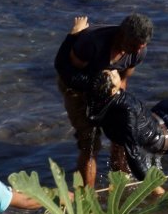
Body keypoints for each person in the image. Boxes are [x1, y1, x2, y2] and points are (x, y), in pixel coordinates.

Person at [54, 13, 153, 187]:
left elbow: (123, 80)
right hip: (78, 90)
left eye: (141, 46)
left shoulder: (138, 51)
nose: (137, 50)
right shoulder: (91, 43)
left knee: (121, 139)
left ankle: (120, 187)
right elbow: (68, 75)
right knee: (90, 143)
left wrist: (120, 110)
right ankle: (87, 197)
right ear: (122, 35)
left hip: (110, 91)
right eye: (134, 45)